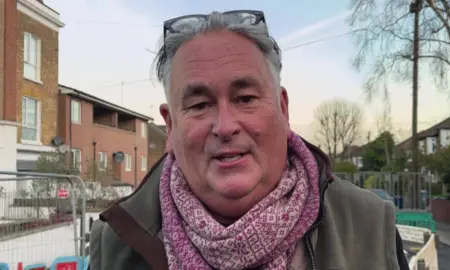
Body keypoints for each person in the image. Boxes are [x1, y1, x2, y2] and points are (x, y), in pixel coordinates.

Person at [89, 10, 410, 270]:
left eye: (245, 98)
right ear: (170, 126)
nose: (225, 126)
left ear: (283, 109)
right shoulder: (115, 243)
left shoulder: (368, 226)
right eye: (200, 105)